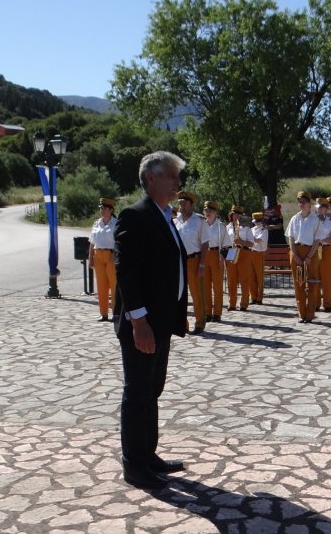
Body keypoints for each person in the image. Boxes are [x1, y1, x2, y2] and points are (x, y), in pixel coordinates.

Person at [113, 151, 188, 490]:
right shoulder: (134, 215)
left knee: (152, 390)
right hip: (142, 325)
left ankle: (148, 455)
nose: (178, 182)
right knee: (138, 392)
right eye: (172, 176)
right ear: (151, 179)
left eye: (177, 176)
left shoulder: (164, 215)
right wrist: (138, 322)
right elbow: (126, 273)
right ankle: (133, 464)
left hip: (161, 321)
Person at [173, 191, 209, 335]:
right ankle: (183, 324)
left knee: (196, 294)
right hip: (179, 262)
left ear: (192, 204)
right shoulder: (175, 221)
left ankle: (200, 322)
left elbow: (205, 244)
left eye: (185, 203)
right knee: (180, 295)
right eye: (180, 202)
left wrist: (202, 264)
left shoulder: (199, 221)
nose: (182, 205)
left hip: (194, 260)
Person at [285, 191, 321, 323]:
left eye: (303, 202)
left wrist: (310, 256)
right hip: (297, 251)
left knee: (312, 283)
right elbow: (291, 238)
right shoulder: (295, 218)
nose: (301, 204)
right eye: (299, 202)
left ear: (309, 204)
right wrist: (295, 255)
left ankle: (310, 314)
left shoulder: (315, 219)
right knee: (298, 283)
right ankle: (301, 313)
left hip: (310, 251)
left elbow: (317, 240)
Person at [88, 198, 118, 322]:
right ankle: (103, 313)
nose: (102, 210)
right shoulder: (96, 223)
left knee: (114, 285)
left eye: (104, 208)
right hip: (98, 255)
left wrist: (114, 254)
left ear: (111, 210)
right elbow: (92, 241)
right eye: (101, 208)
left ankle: (116, 313)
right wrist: (90, 256)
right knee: (101, 286)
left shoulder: (116, 223)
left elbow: (119, 242)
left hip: (111, 255)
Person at [201, 201, 228, 323]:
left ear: (215, 212)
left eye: (210, 211)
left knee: (217, 287)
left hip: (216, 255)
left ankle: (217, 313)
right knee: (205, 286)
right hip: (204, 255)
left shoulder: (220, 226)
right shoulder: (201, 224)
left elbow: (226, 244)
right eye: (206, 210)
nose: (208, 213)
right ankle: (207, 312)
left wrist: (222, 259)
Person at [225, 205, 255, 311]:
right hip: (231, 252)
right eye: (234, 214)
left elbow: (252, 243)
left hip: (244, 253)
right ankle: (232, 303)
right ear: (231, 215)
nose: (236, 216)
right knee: (231, 280)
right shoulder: (227, 227)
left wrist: (241, 242)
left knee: (244, 279)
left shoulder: (246, 227)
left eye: (238, 214)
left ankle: (244, 303)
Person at [314, 198, 331, 312]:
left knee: (326, 277)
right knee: (315, 276)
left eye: (323, 207)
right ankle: (315, 302)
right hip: (314, 249)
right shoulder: (311, 220)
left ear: (326, 209)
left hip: (326, 249)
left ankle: (327, 303)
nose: (320, 209)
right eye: (319, 207)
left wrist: (324, 239)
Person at [249, 212, 268, 305]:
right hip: (251, 253)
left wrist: (249, 238)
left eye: (258, 221)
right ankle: (253, 297)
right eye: (256, 221)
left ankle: (259, 298)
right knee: (251, 276)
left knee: (259, 276)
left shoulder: (264, 230)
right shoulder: (251, 229)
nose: (257, 223)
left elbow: (258, 240)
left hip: (259, 253)